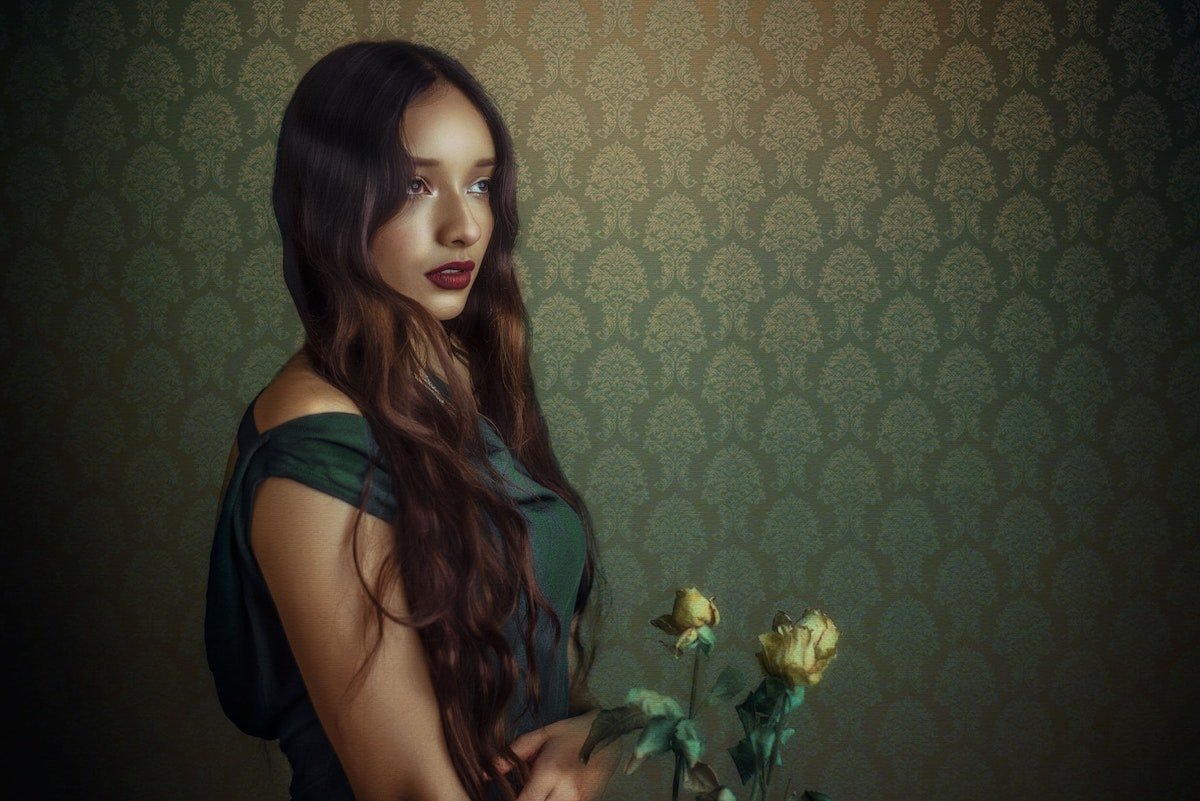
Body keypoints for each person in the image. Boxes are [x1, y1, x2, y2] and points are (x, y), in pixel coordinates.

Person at [204, 40, 622, 801]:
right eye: (415, 186)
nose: (465, 227)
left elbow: (541, 666)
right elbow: (409, 788)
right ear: (329, 199)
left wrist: (595, 738)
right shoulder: (313, 454)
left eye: (481, 182)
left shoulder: (448, 377)